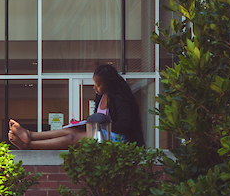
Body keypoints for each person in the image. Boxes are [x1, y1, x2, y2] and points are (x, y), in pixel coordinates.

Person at [9, 64, 144, 149]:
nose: (95, 88)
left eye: (98, 85)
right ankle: (30, 134)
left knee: (71, 139)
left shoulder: (121, 99)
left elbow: (125, 125)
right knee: (69, 131)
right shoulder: (101, 97)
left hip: (119, 139)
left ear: (109, 83)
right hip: (100, 133)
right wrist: (87, 123)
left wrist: (98, 125)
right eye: (94, 84)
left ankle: (29, 145)